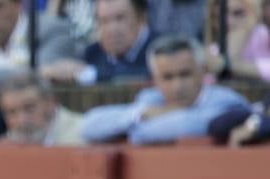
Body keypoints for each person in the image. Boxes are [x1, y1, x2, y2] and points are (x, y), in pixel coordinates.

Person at [79, 34, 247, 144]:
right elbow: (88, 125)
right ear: (155, 80)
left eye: (185, 74)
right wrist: (140, 114)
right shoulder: (151, 99)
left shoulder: (226, 100)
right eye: (168, 77)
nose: (177, 86)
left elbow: (187, 126)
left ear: (202, 71)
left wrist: (137, 127)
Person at [42, 0, 152, 85]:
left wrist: (90, 73)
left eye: (119, 18)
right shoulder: (93, 53)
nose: (112, 29)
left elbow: (148, 75)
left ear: (142, 18)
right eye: (104, 21)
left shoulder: (157, 46)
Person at [202, 0, 270, 83]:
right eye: (219, 16)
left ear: (254, 12)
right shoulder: (213, 52)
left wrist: (227, 65)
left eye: (238, 13)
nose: (228, 21)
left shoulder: (263, 34)